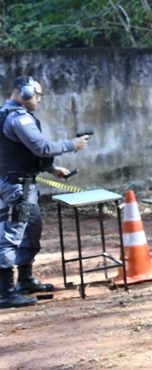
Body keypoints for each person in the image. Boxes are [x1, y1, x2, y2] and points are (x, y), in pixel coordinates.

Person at [0, 76, 90, 309]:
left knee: (32, 231)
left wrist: (51, 168)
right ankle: (5, 292)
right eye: (37, 95)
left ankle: (25, 281)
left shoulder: (6, 115)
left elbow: (22, 153)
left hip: (20, 184)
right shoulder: (18, 118)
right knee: (11, 237)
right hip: (17, 187)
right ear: (26, 92)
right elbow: (41, 147)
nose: (39, 100)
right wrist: (73, 145)